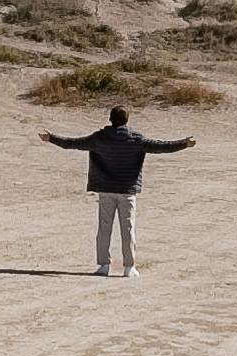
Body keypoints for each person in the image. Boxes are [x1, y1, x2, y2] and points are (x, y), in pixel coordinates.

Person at [41, 103, 196, 276]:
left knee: (104, 228)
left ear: (110, 119)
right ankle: (129, 267)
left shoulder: (99, 138)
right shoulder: (136, 139)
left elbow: (72, 143)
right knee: (128, 228)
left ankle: (103, 265)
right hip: (127, 190)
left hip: (105, 189)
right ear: (126, 120)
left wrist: (51, 138)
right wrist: (184, 144)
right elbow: (162, 147)